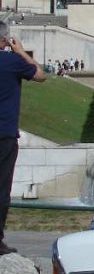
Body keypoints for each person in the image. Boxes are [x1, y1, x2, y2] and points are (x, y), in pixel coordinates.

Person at [0, 22, 45, 255]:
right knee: (1, 187)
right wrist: (21, 52)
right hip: (4, 133)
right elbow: (40, 75)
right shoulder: (12, 62)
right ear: (5, 40)